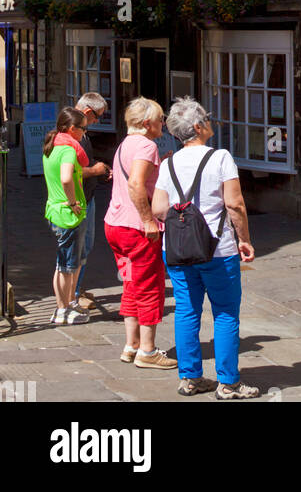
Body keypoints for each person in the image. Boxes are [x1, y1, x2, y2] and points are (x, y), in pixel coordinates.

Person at [152, 97, 259, 400]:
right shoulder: (220, 157)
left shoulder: (169, 162)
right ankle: (228, 383)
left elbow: (159, 208)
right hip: (218, 248)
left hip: (176, 248)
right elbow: (235, 204)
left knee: (186, 311)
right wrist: (244, 239)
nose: (211, 122)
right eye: (207, 119)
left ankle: (190, 378)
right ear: (198, 126)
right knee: (225, 313)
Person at [103, 97, 176, 369]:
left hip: (115, 223)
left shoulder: (126, 143)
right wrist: (148, 221)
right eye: (160, 119)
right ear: (147, 124)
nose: (163, 123)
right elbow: (136, 183)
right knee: (150, 286)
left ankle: (131, 345)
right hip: (136, 228)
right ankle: (148, 351)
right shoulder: (147, 145)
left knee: (131, 283)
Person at [43, 107, 89, 326]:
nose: (84, 133)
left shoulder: (52, 147)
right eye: (83, 129)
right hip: (68, 213)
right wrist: (73, 202)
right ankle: (62, 309)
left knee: (67, 263)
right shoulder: (69, 150)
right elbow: (66, 178)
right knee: (67, 267)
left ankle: (67, 304)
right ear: (72, 129)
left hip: (54, 209)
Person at [73, 92, 111, 312]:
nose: (97, 121)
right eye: (97, 116)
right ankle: (72, 296)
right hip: (77, 202)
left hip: (88, 196)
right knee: (76, 250)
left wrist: (101, 168)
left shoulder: (82, 132)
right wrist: (94, 170)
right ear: (88, 112)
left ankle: (77, 289)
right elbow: (67, 172)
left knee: (84, 248)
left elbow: (85, 162)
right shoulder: (71, 134)